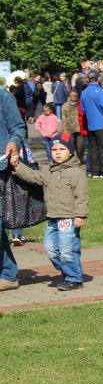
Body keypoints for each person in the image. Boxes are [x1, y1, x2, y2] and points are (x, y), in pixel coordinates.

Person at [9, 133, 87, 291]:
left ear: (71, 151)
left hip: (68, 218)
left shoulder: (75, 172)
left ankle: (74, 278)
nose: (57, 152)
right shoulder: (49, 170)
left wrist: (80, 215)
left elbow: (82, 195)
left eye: (62, 149)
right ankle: (68, 270)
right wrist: (17, 165)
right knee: (50, 248)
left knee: (67, 249)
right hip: (52, 217)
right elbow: (34, 176)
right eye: (54, 149)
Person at [0, 86, 28, 292]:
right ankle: (8, 272)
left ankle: (8, 274)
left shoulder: (2, 95)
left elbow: (18, 127)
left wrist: (13, 142)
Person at [80, 71, 103, 179]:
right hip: (102, 123)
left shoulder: (84, 92)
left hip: (91, 124)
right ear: (98, 79)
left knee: (93, 149)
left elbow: (83, 109)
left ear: (88, 79)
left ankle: (94, 171)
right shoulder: (100, 91)